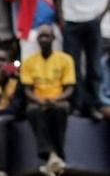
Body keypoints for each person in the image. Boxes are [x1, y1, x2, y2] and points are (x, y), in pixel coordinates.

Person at [53, 0, 110, 120]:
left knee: (94, 65)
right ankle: (77, 104)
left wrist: (100, 16)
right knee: (73, 66)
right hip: (71, 22)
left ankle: (95, 104)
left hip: (92, 21)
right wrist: (62, 19)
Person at [20, 25, 75, 176]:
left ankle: (57, 156)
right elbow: (27, 90)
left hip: (58, 100)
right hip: (38, 101)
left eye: (47, 36)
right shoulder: (29, 61)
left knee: (61, 110)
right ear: (37, 40)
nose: (44, 39)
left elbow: (70, 88)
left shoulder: (65, 59)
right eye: (41, 36)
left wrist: (55, 99)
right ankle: (52, 155)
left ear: (53, 38)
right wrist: (40, 100)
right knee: (33, 111)